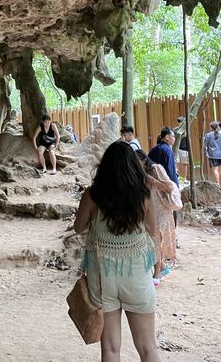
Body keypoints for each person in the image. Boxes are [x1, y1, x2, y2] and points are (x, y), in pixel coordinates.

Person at [74, 142, 159, 362]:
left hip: (103, 277)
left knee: (110, 350)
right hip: (137, 273)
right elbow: (154, 231)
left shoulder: (93, 195)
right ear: (133, 166)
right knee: (148, 348)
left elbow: (78, 227)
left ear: (105, 167)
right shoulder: (144, 196)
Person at [135, 150, 178, 284]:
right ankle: (162, 267)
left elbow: (168, 187)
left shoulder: (156, 169)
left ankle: (157, 273)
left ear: (144, 159)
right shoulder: (137, 173)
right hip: (149, 209)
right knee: (152, 239)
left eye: (137, 161)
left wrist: (151, 180)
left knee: (156, 239)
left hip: (161, 210)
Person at [173, 116, 189, 180]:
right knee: (176, 163)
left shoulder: (186, 130)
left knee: (184, 164)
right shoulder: (175, 129)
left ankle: (184, 178)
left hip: (184, 149)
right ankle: (177, 177)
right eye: (178, 121)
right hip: (176, 149)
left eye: (180, 121)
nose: (179, 123)